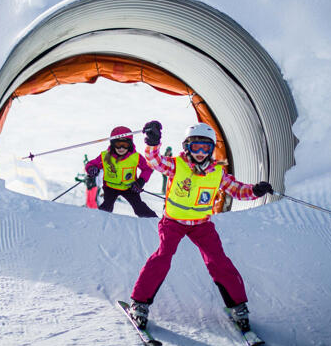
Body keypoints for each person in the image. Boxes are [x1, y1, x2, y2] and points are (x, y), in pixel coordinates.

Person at [127, 120, 273, 332]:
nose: (201, 152)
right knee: (163, 257)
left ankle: (238, 307)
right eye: (196, 147)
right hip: (173, 222)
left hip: (201, 225)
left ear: (212, 149)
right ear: (187, 147)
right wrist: (153, 142)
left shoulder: (217, 173)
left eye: (206, 147)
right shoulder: (177, 165)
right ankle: (139, 303)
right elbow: (154, 161)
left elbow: (237, 190)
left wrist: (256, 190)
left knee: (219, 261)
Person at [84, 126, 158, 218]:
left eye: (125, 145)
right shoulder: (105, 156)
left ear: (130, 145)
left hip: (129, 188)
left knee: (139, 207)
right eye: (117, 144)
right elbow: (90, 164)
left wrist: (140, 182)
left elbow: (147, 168)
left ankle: (154, 220)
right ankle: (100, 221)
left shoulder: (135, 157)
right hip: (110, 187)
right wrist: (91, 169)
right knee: (107, 206)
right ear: (112, 144)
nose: (121, 148)